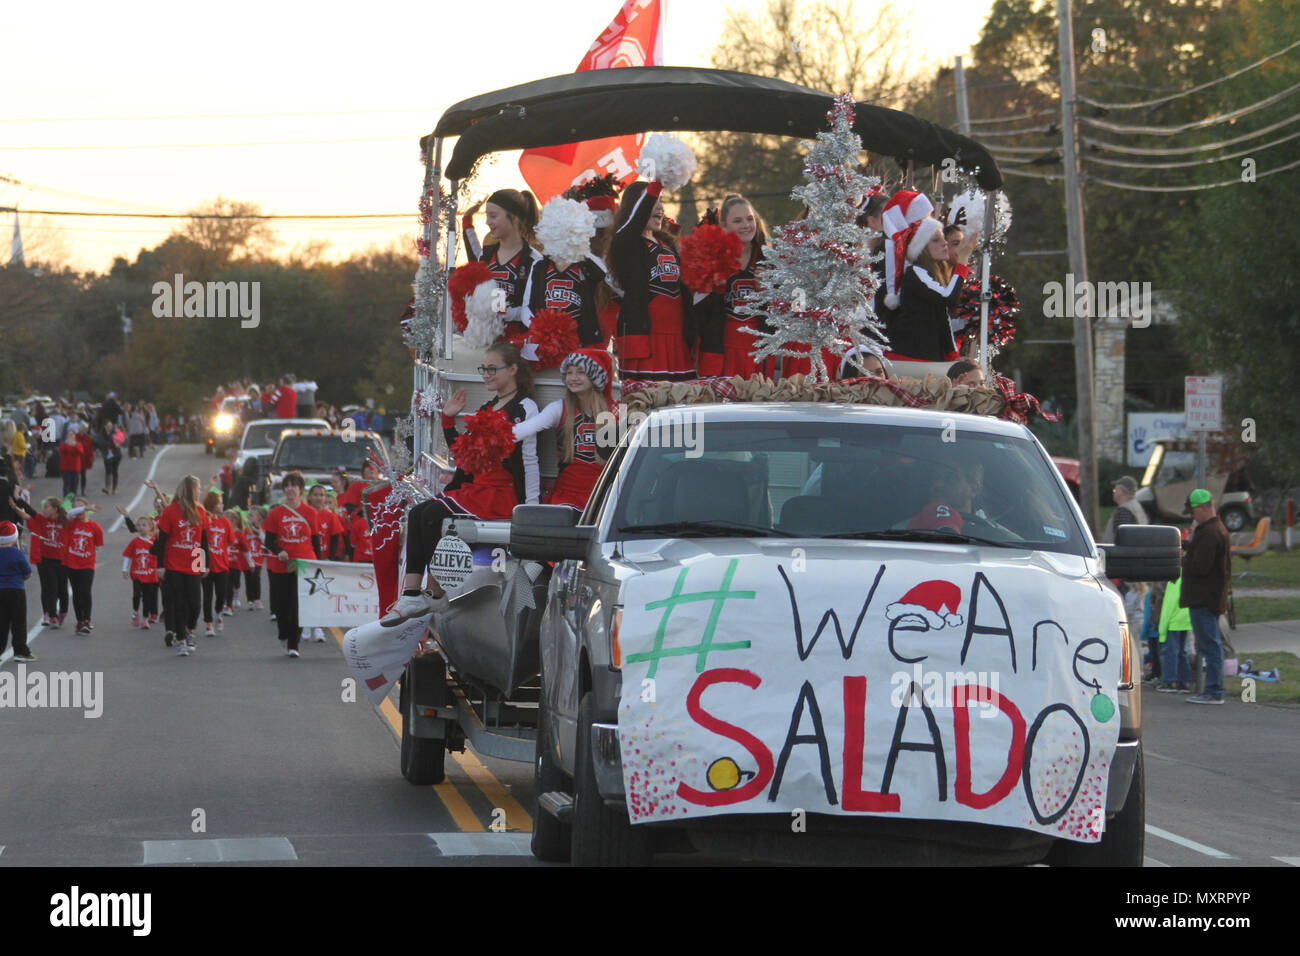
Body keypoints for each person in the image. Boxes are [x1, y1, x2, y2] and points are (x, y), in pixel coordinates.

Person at [385, 342, 539, 624]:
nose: (487, 374)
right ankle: (410, 594)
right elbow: (466, 457)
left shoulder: (524, 406)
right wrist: (448, 420)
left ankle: (435, 591)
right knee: (419, 513)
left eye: (493, 369)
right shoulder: (488, 406)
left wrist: (532, 507)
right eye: (484, 369)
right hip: (477, 486)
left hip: (498, 491)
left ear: (514, 369)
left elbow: (526, 458)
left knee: (432, 516)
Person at [611, 180, 695, 381]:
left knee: (679, 404)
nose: (659, 206)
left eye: (661, 201)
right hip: (646, 339)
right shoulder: (625, 242)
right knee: (646, 405)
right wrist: (657, 182)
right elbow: (634, 222)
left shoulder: (668, 244)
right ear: (635, 208)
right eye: (652, 201)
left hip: (677, 340)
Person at [509, 349, 615, 510]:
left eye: (581, 372)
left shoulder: (616, 411)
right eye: (569, 372)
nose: (573, 378)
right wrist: (489, 436)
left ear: (595, 377)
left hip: (605, 496)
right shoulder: (559, 408)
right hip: (567, 496)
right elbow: (525, 429)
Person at [696, 195, 769, 379]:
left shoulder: (769, 259)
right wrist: (716, 290)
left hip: (759, 351)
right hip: (721, 348)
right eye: (737, 221)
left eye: (749, 219)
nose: (746, 225)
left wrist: (766, 292)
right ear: (725, 227)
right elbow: (696, 312)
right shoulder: (712, 258)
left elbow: (781, 316)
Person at [462, 189, 540, 338]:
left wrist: (503, 312)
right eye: (486, 216)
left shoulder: (534, 260)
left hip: (516, 345)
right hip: (486, 340)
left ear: (515, 218)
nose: (487, 222)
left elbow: (533, 310)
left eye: (493, 216)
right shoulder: (485, 256)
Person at [1180, 488, 1231, 704]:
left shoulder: (1210, 533)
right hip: (1209, 596)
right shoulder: (1213, 529)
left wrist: (1183, 558)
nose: (1192, 516)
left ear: (1203, 507)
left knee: (1210, 646)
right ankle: (1212, 689)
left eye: (1193, 511)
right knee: (1210, 645)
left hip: (1204, 597)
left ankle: (1213, 691)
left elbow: (1200, 567)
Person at [885, 218, 962, 362]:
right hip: (909, 358)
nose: (944, 243)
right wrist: (962, 266)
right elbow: (949, 298)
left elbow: (943, 318)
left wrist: (953, 355)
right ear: (921, 249)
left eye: (943, 239)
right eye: (935, 240)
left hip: (926, 357)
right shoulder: (915, 272)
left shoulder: (931, 275)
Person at [263, 471, 320, 657]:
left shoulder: (310, 513)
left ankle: (294, 645)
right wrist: (279, 551)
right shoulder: (276, 513)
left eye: (293, 485)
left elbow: (316, 541)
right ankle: (283, 634)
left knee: (297, 605)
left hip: (303, 563)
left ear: (301, 490)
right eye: (286, 485)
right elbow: (268, 541)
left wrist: (318, 565)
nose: (289, 489)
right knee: (282, 605)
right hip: (282, 564)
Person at [153, 475, 210, 656]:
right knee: (179, 603)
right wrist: (160, 565)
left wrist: (205, 564)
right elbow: (161, 541)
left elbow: (203, 541)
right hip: (173, 563)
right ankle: (183, 640)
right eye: (198, 488)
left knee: (195, 603)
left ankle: (189, 629)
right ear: (190, 490)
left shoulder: (200, 511)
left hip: (193, 561)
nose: (200, 492)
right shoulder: (171, 511)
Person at [63, 498, 104, 634]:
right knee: (76, 593)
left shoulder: (95, 526)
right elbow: (69, 514)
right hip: (72, 564)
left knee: (85, 592)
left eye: (82, 507)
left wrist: (86, 554)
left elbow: (98, 546)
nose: (79, 511)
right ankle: (79, 620)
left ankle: (87, 620)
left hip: (87, 565)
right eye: (77, 508)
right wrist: (86, 507)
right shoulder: (71, 522)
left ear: (87, 509)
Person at [0, 521, 37, 662]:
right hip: (16, 590)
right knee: (18, 622)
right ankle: (20, 651)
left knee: (1, 622)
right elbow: (28, 573)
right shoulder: (17, 553)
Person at [200, 491, 233, 636]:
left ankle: (218, 613)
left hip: (222, 565)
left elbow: (230, 541)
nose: (222, 505)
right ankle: (208, 624)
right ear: (213, 505)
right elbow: (198, 543)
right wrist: (200, 566)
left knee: (221, 594)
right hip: (206, 566)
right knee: (207, 596)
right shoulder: (204, 521)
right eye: (220, 502)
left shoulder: (225, 522)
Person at [122, 513, 160, 629]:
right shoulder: (135, 542)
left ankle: (145, 619)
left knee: (147, 597)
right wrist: (124, 569)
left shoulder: (154, 542)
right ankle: (135, 612)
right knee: (136, 595)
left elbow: (161, 557)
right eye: (139, 525)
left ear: (150, 527)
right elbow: (128, 556)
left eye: (144, 525)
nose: (141, 527)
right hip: (137, 574)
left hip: (150, 575)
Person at [1157, 574, 1192, 693]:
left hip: (1174, 621)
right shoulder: (1187, 577)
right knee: (1182, 651)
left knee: (1170, 651)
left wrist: (1162, 627)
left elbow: (1169, 605)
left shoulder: (1174, 579)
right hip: (1186, 619)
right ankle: (1184, 682)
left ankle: (1169, 681)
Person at [1102, 475, 1147, 543]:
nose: (1114, 492)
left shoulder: (1123, 511)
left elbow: (1123, 539)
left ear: (1122, 492)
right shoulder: (1135, 506)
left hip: (1120, 553)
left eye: (1115, 490)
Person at [243, 505, 266, 610]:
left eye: (252, 515)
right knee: (248, 579)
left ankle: (257, 599)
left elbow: (265, 541)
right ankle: (250, 600)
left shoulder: (263, 528)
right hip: (247, 559)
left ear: (259, 518)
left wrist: (258, 531)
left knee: (256, 577)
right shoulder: (245, 529)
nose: (250, 518)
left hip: (258, 559)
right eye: (249, 515)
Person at [97, 421, 123, 495]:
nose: (109, 427)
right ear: (105, 427)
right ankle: (107, 488)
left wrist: (116, 444)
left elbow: (121, 440)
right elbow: (100, 442)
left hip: (116, 454)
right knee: (108, 470)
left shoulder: (115, 433)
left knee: (115, 470)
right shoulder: (102, 435)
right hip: (107, 454)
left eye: (110, 426)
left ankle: (114, 488)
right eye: (108, 426)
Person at [58, 428, 83, 499]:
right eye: (69, 435)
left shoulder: (78, 444)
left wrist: (73, 445)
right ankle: (66, 500)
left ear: (74, 436)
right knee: (67, 485)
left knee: (74, 485)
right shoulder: (63, 444)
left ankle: (72, 499)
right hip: (65, 468)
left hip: (75, 468)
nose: (71, 436)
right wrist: (69, 445)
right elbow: (62, 450)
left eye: (72, 435)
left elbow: (80, 452)